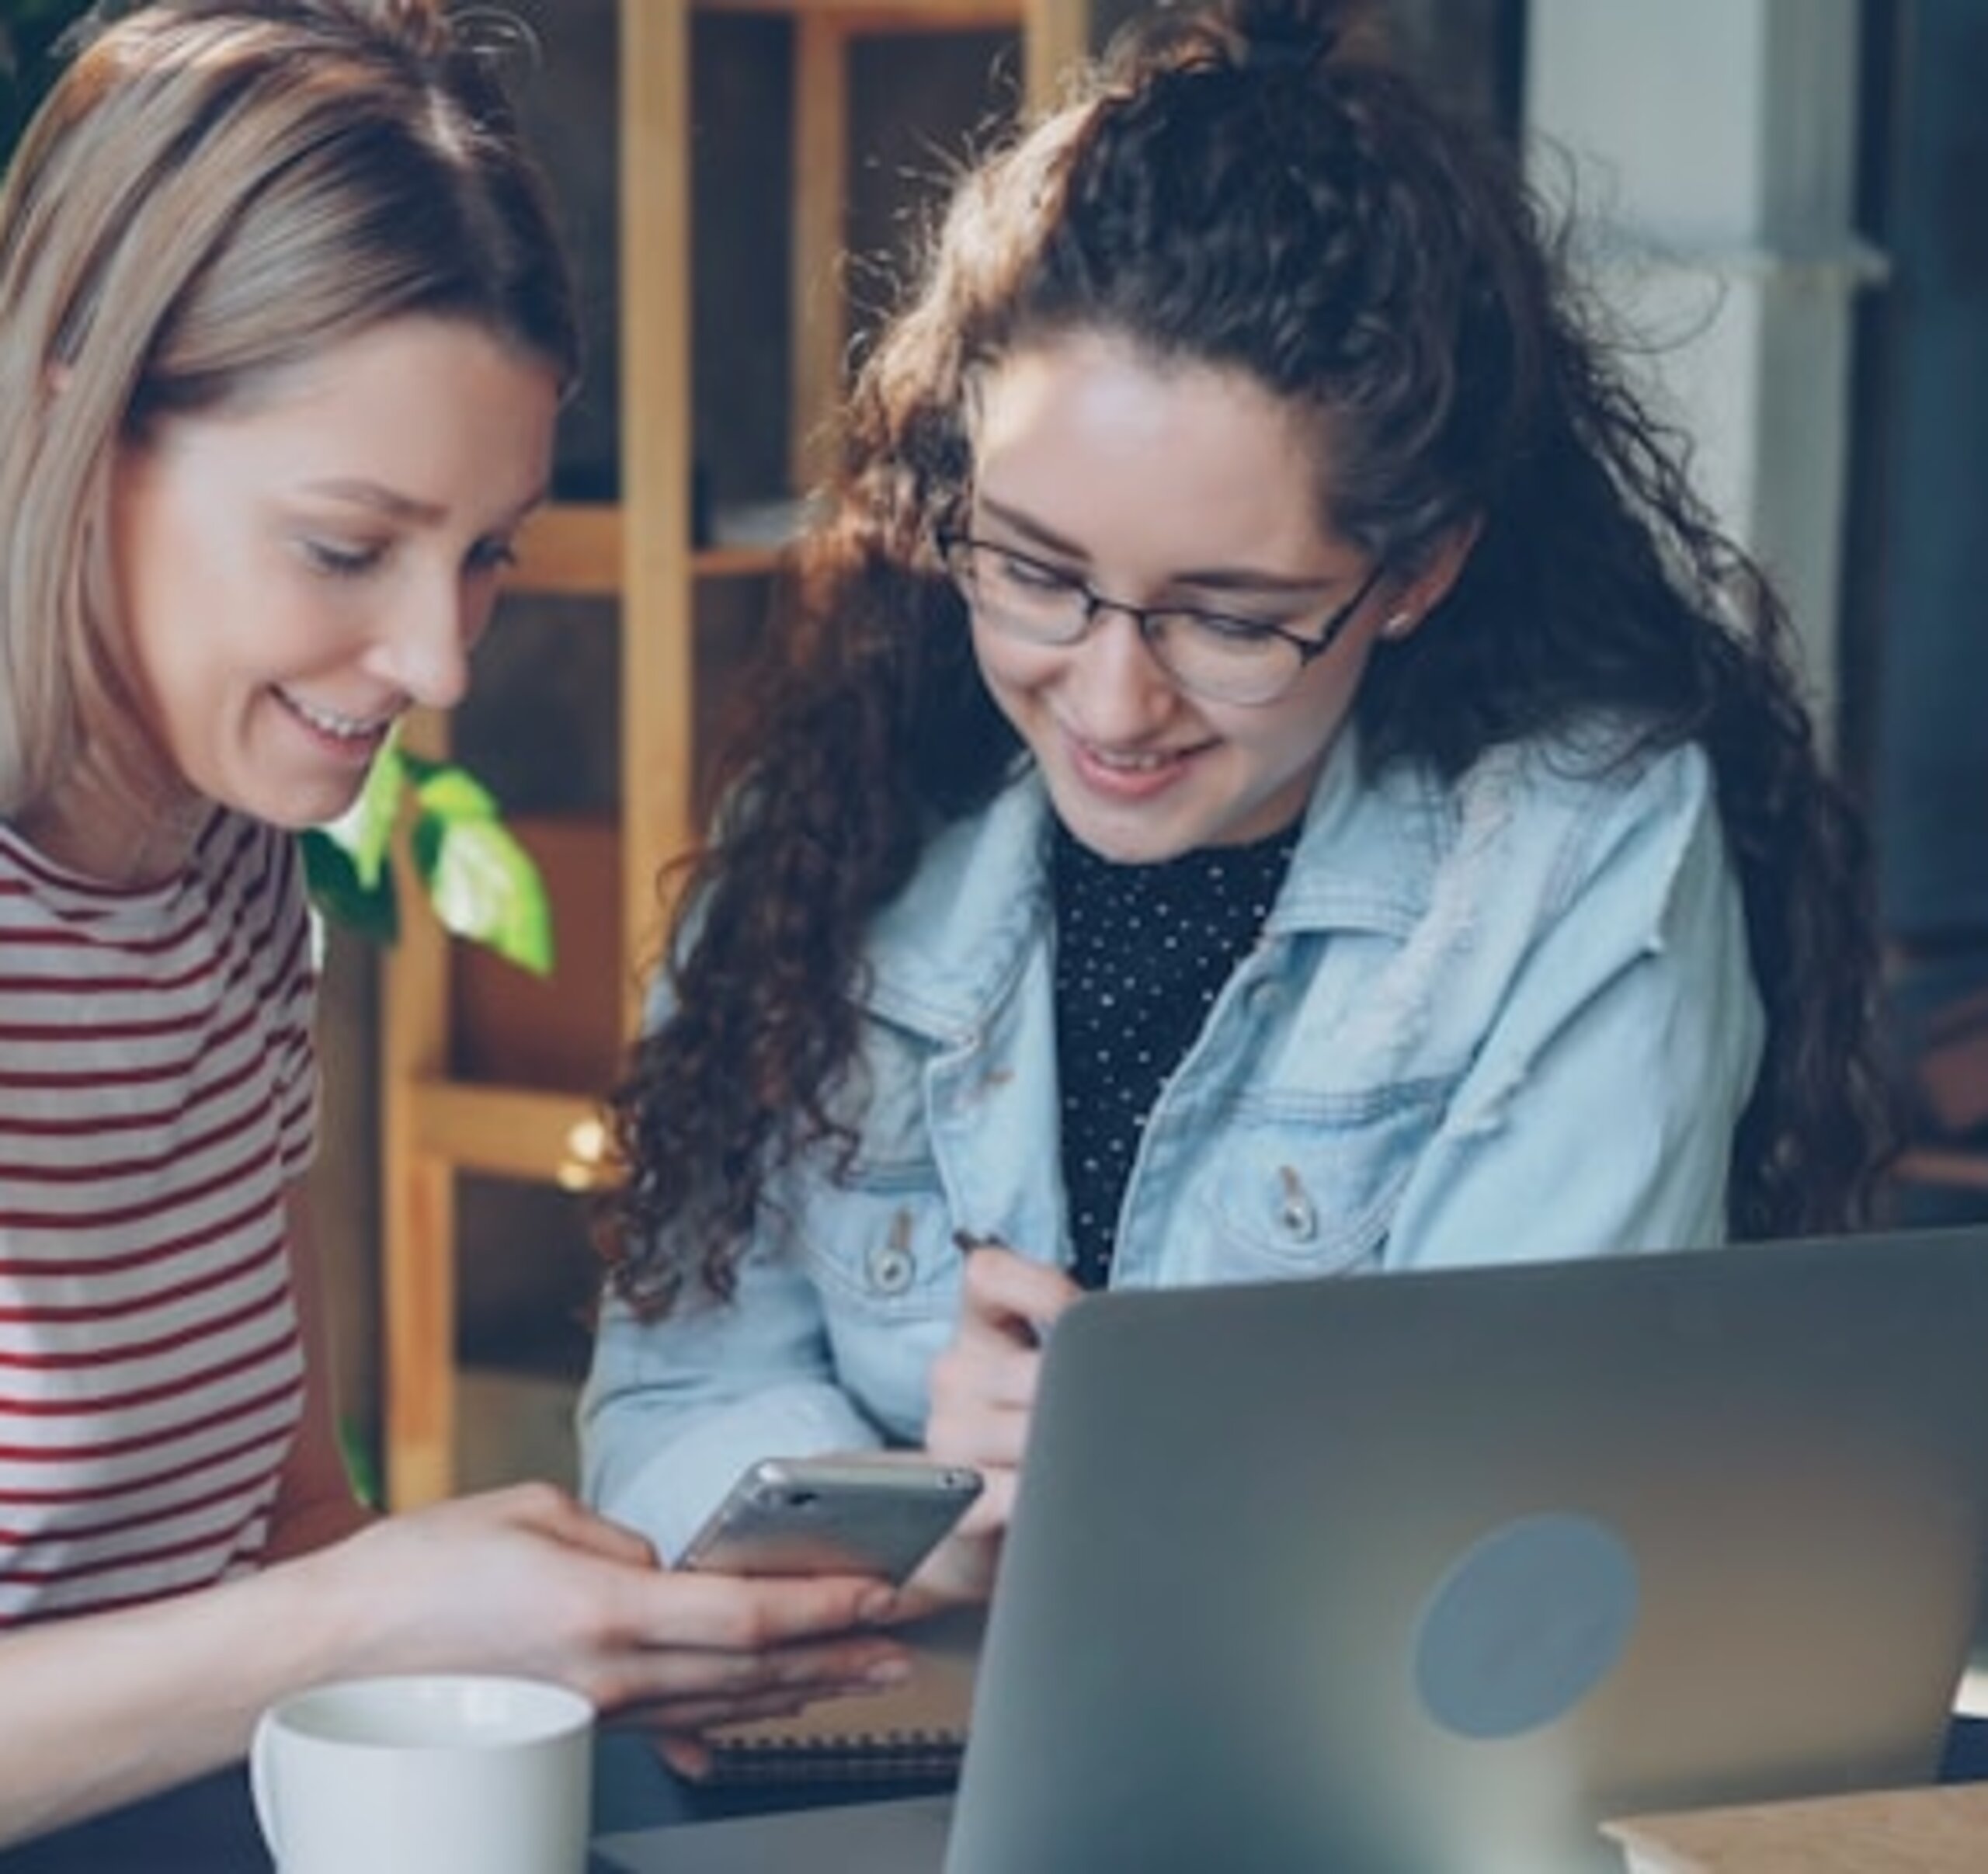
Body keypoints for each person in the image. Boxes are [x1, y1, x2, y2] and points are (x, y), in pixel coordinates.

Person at [580, 0, 1892, 1604]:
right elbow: (667, 1404)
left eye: (1228, 616)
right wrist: (915, 1515)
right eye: (1035, 573)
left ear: (1413, 571)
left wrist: (1144, 1476)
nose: (1114, 699)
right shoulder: (843, 810)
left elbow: (1517, 1523)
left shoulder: (1579, 855)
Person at [0, 1, 912, 1848]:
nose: (436, 661)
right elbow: (312, 1606)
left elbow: (277, 1543)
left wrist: (539, 1641)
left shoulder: (232, 868)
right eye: (348, 546)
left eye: (485, 550)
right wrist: (373, 1608)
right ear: (75, 411)